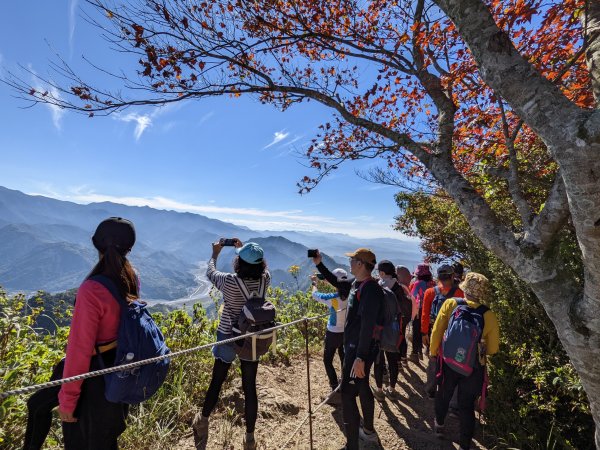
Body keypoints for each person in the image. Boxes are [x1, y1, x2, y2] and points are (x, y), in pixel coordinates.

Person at [23, 217, 135, 450]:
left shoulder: (92, 289)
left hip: (91, 380)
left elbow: (80, 350)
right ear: (129, 247)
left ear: (97, 245)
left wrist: (68, 400)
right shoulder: (130, 279)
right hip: (116, 372)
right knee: (37, 405)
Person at [192, 239, 270, 450]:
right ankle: (250, 439)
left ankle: (203, 421)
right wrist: (242, 249)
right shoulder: (266, 279)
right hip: (251, 338)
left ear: (239, 262)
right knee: (250, 387)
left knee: (217, 380)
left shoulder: (230, 282)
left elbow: (210, 272)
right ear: (261, 264)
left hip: (228, 335)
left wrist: (215, 253)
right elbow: (257, 267)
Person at [429, 272, 500, 450]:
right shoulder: (488, 315)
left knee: (443, 394)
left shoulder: (451, 304)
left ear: (464, 288)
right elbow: (493, 349)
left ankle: (439, 426)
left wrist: (433, 351)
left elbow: (437, 330)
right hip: (473, 366)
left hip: (448, 361)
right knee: (466, 405)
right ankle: (465, 445)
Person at [339, 248, 384, 450]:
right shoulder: (358, 284)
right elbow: (337, 283)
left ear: (360, 264)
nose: (350, 263)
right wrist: (318, 263)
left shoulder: (371, 289)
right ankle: (368, 431)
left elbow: (367, 324)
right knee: (363, 386)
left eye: (353, 260)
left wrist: (360, 357)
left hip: (358, 349)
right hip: (357, 348)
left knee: (347, 395)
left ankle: (352, 446)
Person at [310, 257, 350, 402]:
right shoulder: (351, 296)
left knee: (327, 360)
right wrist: (326, 279)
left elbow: (315, 295)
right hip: (346, 332)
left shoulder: (332, 298)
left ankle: (334, 388)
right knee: (343, 357)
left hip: (333, 332)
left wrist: (314, 283)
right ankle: (344, 383)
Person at [421, 264, 464, 399]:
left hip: (434, 332)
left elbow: (425, 314)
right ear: (452, 276)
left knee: (433, 360)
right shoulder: (460, 293)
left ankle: (431, 389)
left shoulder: (430, 292)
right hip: (454, 334)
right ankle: (448, 391)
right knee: (450, 363)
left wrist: (424, 333)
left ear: (438, 277)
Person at [372, 260, 411, 400]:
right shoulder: (401, 288)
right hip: (395, 331)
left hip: (379, 330)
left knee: (378, 360)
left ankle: (379, 391)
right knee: (393, 360)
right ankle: (392, 390)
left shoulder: (378, 287)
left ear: (382, 273)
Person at [408, 263, 435, 362]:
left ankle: (415, 353)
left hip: (419, 311)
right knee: (428, 330)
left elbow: (412, 295)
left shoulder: (417, 283)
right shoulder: (433, 283)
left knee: (416, 331)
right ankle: (428, 349)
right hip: (431, 311)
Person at [395, 265, 417, 368]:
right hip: (407, 316)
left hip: (399, 316)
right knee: (402, 335)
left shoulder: (397, 287)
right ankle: (403, 358)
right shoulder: (407, 287)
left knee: (397, 337)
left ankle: (398, 360)